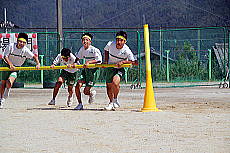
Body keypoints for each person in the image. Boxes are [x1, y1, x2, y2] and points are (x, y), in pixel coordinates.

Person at [0, 33, 40, 108]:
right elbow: (5, 56)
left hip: (16, 68)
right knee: (3, 83)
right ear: (17, 41)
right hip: (6, 65)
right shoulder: (11, 46)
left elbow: (34, 56)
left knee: (9, 81)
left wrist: (38, 63)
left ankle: (6, 91)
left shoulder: (25, 50)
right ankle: (1, 99)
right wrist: (10, 64)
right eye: (20, 42)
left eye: (24, 42)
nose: (21, 44)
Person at [103, 31, 135, 110]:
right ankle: (111, 103)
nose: (118, 42)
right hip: (110, 65)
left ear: (125, 41)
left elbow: (134, 61)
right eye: (117, 40)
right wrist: (106, 60)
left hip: (121, 67)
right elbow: (106, 50)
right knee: (108, 86)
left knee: (115, 82)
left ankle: (115, 99)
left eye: (121, 40)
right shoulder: (110, 44)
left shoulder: (127, 50)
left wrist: (123, 62)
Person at [73, 33, 102, 110]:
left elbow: (99, 60)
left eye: (86, 40)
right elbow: (77, 58)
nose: (84, 41)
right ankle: (79, 104)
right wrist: (75, 63)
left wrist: (89, 62)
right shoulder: (82, 49)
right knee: (77, 86)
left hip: (93, 72)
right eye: (83, 40)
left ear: (90, 41)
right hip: (85, 71)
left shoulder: (94, 50)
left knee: (86, 91)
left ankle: (91, 93)